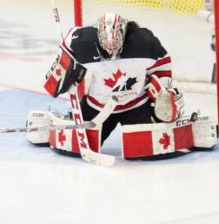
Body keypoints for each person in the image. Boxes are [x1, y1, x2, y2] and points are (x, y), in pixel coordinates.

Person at [41, 12, 189, 158]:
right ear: (98, 34)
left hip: (136, 104)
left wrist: (161, 88)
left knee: (143, 151)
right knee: (75, 149)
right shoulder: (82, 42)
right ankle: (58, 119)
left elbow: (163, 64)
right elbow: (69, 40)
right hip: (98, 106)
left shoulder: (144, 42)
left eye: (116, 41)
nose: (111, 48)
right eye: (107, 42)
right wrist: (64, 67)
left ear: (124, 33)